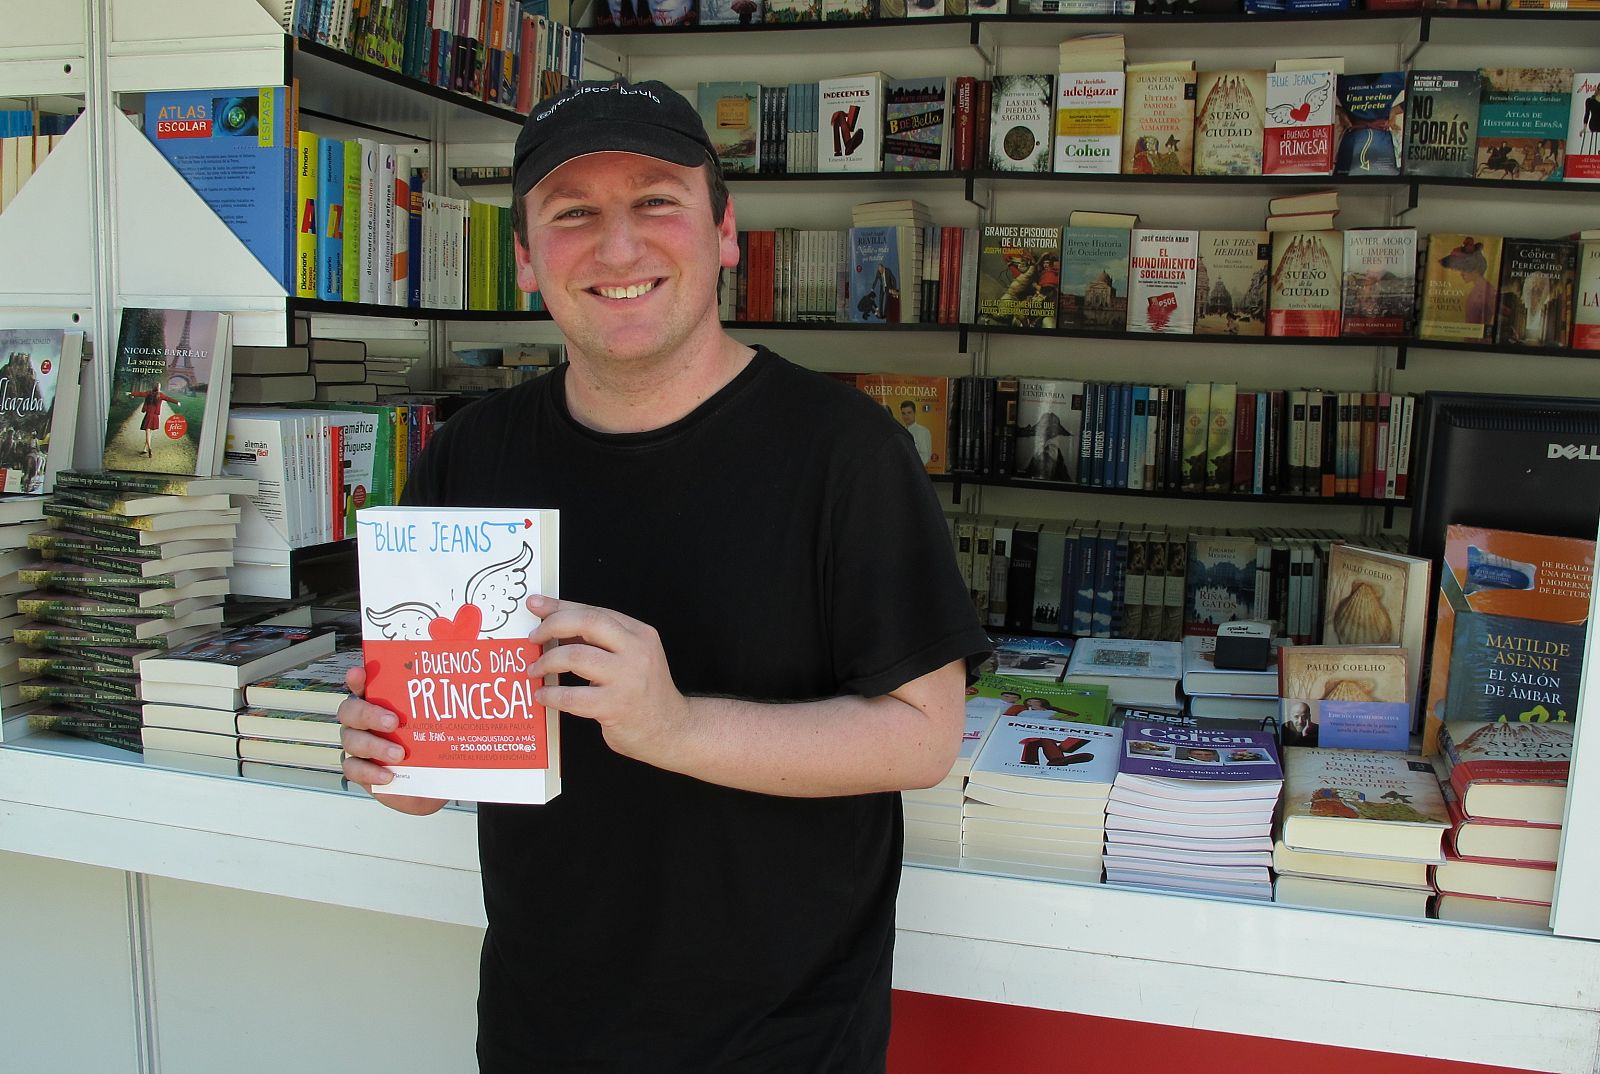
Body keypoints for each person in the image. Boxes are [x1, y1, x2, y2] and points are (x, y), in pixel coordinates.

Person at [337, 78, 990, 1073]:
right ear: (524, 260)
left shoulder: (844, 452)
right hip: (539, 1032)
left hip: (783, 1042)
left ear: (724, 233)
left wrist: (673, 724)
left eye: (655, 202)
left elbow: (921, 735)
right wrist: (396, 759)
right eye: (573, 214)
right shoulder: (468, 460)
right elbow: (428, 778)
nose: (619, 246)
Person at [898, 399, 932, 465]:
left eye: (909, 413)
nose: (906, 416)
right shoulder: (900, 430)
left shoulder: (922, 431)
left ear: (915, 412)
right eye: (903, 413)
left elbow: (925, 456)